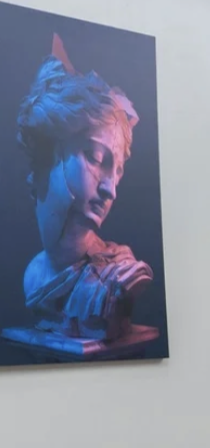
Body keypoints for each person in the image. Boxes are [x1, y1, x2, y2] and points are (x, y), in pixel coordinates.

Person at [7, 37, 153, 353]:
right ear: (50, 154)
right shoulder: (34, 273)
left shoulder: (120, 273)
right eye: (97, 159)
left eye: (117, 173)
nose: (110, 189)